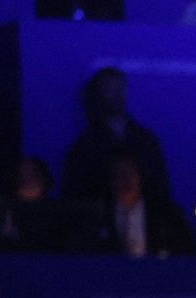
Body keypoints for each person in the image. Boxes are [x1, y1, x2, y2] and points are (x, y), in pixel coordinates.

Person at [61, 68, 171, 211]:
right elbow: (76, 193)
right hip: (100, 221)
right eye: (109, 88)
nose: (116, 94)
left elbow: (160, 184)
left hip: (146, 221)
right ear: (97, 95)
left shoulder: (146, 140)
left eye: (120, 88)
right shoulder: (84, 147)